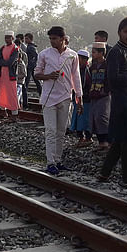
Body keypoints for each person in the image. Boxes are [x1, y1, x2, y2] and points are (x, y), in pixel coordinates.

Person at [100, 17, 127, 187]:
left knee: (119, 140)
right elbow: (112, 79)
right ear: (119, 32)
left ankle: (105, 173)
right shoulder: (116, 52)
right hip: (122, 101)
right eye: (126, 31)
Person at [34, 26, 82, 175]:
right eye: (50, 38)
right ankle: (50, 162)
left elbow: (76, 77)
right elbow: (37, 74)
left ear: (62, 39)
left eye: (54, 38)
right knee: (50, 131)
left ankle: (58, 160)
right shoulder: (44, 54)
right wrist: (48, 76)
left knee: (61, 131)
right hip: (48, 98)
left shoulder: (72, 56)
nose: (52, 41)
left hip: (65, 97)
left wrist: (79, 97)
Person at [85, 42, 110, 150]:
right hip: (94, 94)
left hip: (104, 95)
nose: (93, 54)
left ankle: (105, 140)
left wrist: (106, 90)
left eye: (94, 52)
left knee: (102, 117)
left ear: (101, 53)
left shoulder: (107, 65)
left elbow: (109, 80)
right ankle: (100, 141)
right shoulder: (93, 66)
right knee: (94, 118)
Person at [0, 33, 22, 122]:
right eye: (6, 38)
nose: (7, 39)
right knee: (2, 92)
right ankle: (3, 111)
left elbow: (10, 62)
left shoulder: (15, 49)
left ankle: (14, 114)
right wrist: (5, 62)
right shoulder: (2, 48)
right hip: (3, 74)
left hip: (11, 75)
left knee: (12, 94)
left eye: (9, 38)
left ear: (12, 38)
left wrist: (3, 62)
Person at [72, 50, 92, 147]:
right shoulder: (79, 69)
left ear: (84, 60)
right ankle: (82, 137)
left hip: (85, 99)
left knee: (84, 120)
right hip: (79, 98)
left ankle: (86, 138)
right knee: (79, 119)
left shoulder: (86, 70)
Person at [15, 36, 29, 110]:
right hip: (16, 76)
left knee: (23, 90)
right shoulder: (13, 53)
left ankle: (24, 105)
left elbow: (25, 64)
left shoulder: (23, 54)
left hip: (21, 75)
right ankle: (19, 105)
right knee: (18, 92)